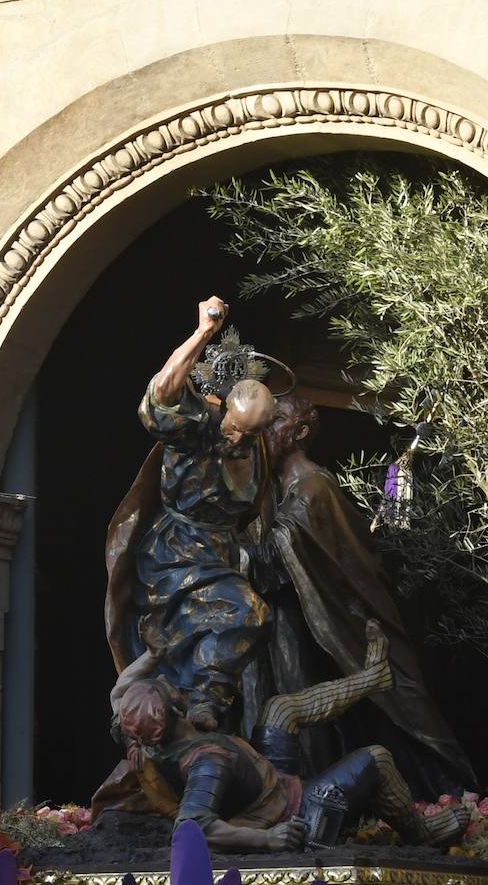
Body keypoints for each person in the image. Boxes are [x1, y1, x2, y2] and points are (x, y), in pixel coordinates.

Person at [245, 395, 477, 798]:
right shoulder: (274, 493)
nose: (266, 431)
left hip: (342, 627)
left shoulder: (315, 487)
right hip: (306, 636)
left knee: (387, 710)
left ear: (300, 432)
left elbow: (282, 561)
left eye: (276, 420)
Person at [109, 619, 471, 852]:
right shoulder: (205, 763)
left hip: (270, 781)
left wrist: (153, 656)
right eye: (169, 690)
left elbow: (119, 691)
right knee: (376, 758)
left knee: (279, 710)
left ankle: (374, 677)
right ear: (172, 712)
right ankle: (420, 832)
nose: (174, 687)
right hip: (288, 815)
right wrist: (268, 839)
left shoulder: (140, 725)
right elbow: (194, 827)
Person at [104, 297, 278, 731]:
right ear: (223, 409)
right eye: (236, 428)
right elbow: (163, 393)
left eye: (252, 434)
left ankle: (202, 705)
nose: (240, 439)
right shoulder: (196, 428)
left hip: (220, 555)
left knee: (246, 621)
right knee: (245, 614)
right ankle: (191, 706)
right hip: (174, 556)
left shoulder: (253, 447)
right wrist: (203, 333)